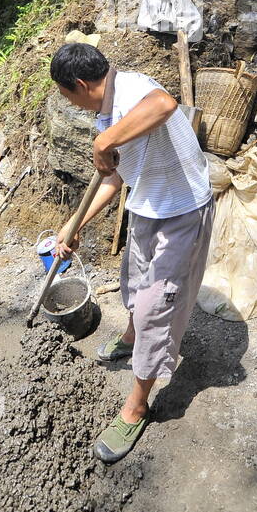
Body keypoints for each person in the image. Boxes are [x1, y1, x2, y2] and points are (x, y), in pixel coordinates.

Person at [50, 42, 214, 463]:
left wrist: (104, 139)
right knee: (136, 283)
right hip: (147, 208)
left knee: (156, 307)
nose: (71, 103)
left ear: (81, 84)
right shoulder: (108, 111)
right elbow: (114, 178)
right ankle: (130, 337)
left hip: (181, 212)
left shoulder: (134, 90)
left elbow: (164, 102)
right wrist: (73, 226)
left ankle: (137, 406)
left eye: (68, 96)